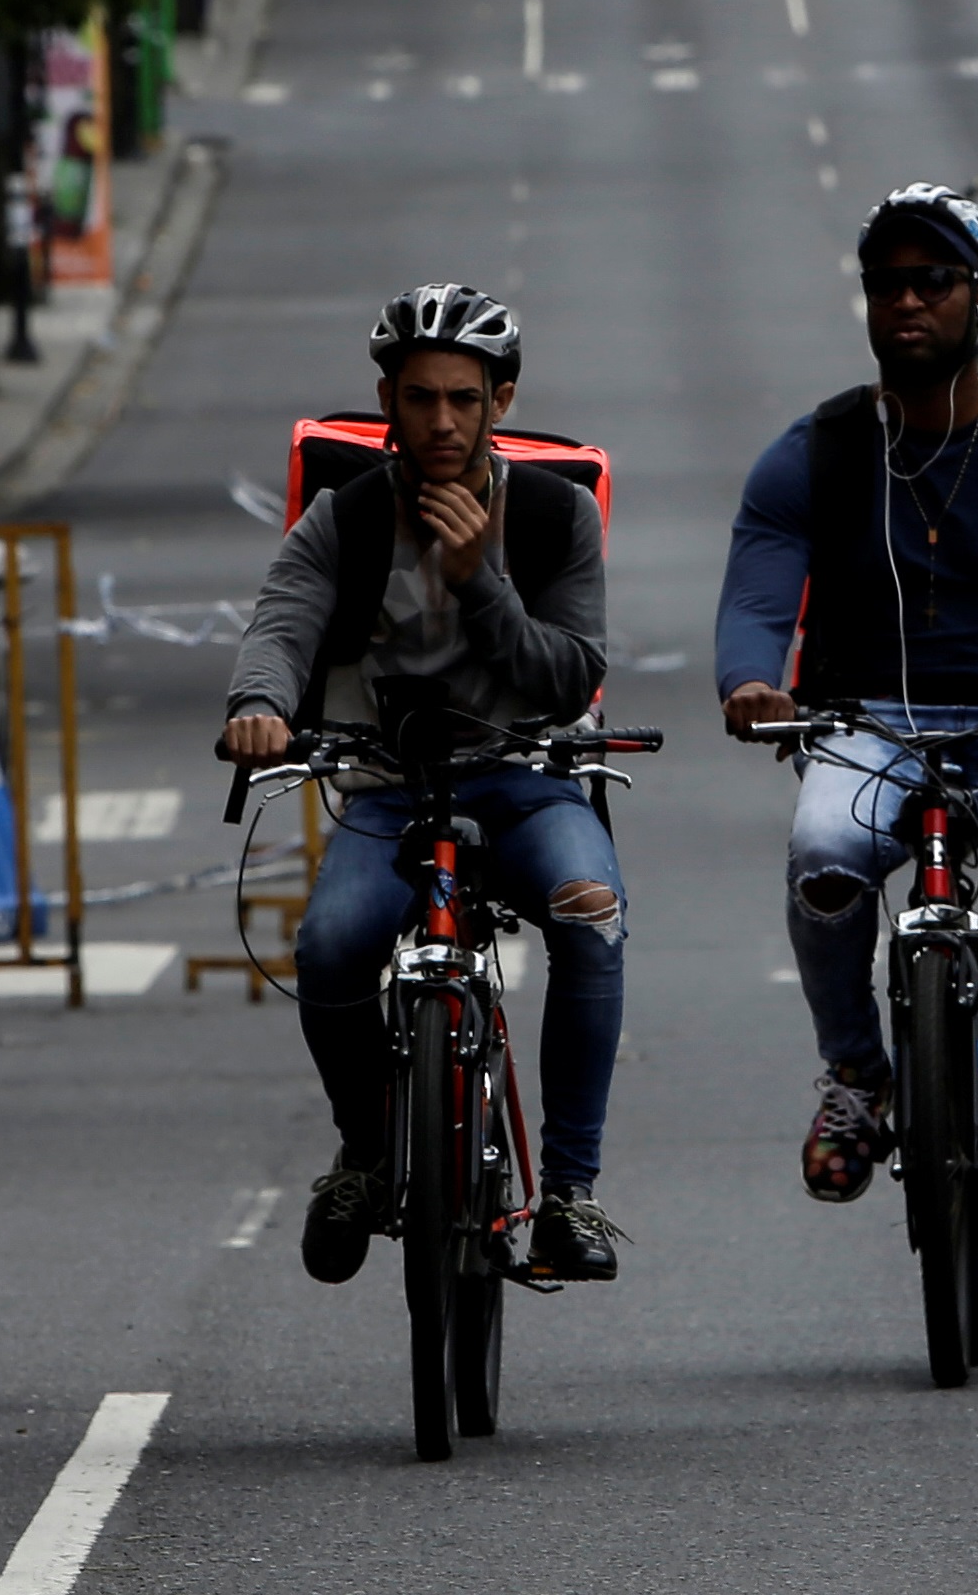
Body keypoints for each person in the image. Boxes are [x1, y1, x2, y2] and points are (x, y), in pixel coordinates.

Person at [715, 185, 978, 1238]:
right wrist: (750, 682)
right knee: (824, 855)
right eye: (888, 284)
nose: (908, 301)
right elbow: (759, 593)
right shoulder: (816, 451)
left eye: (934, 281)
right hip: (865, 720)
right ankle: (857, 1078)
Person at [222, 284, 631, 1286]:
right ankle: (366, 1154)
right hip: (390, 787)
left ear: (501, 402)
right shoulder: (347, 516)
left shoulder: (556, 515)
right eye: (419, 398)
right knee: (329, 945)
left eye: (463, 398)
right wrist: (258, 704)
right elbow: (282, 623)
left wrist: (479, 580)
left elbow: (570, 676)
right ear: (387, 402)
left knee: (591, 911)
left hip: (525, 780)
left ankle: (569, 1193)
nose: (441, 421)